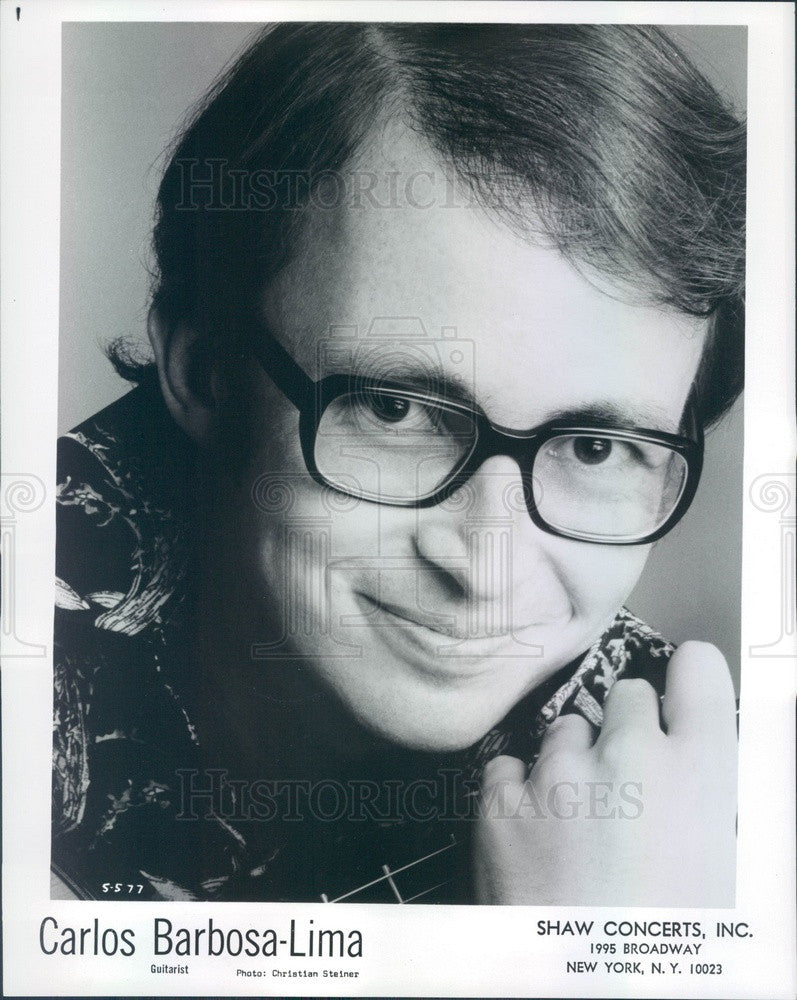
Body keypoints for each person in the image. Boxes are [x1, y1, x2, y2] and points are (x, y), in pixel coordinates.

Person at [52, 23, 745, 905]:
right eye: (397, 409)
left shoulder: (690, 824)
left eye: (594, 447)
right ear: (206, 375)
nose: (483, 567)